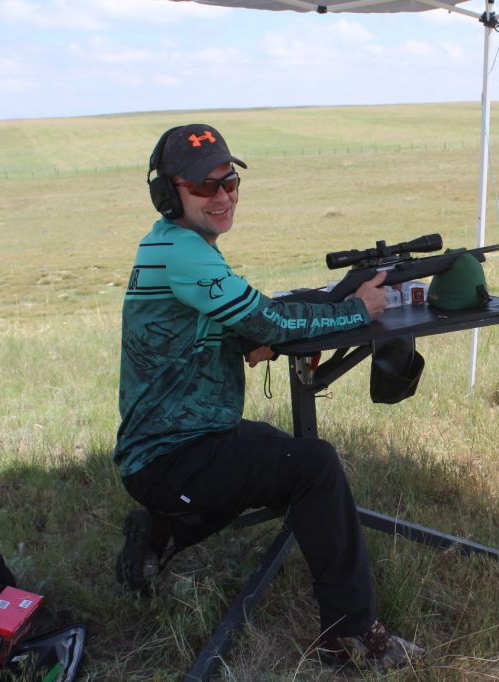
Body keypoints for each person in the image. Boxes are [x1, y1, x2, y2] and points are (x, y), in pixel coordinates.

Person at [112, 123, 423, 671]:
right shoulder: (184, 254)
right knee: (314, 466)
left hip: (178, 441)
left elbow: (223, 321)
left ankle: (160, 531)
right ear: (170, 195)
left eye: (230, 181)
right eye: (205, 188)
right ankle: (350, 634)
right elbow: (269, 316)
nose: (224, 196)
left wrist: (240, 335)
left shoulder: (173, 244)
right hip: (174, 453)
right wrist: (358, 309)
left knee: (271, 457)